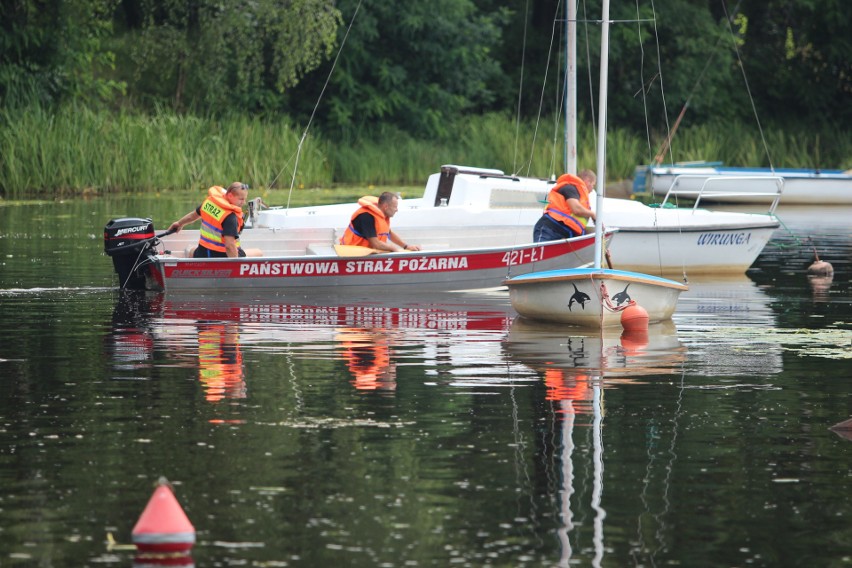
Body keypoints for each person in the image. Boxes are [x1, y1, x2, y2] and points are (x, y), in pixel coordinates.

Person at [169, 182, 249, 258]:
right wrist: (236, 266)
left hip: (203, 252)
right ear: (230, 196)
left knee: (191, 250)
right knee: (257, 252)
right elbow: (229, 246)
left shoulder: (210, 203)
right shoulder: (230, 216)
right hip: (222, 256)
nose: (244, 202)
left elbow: (193, 216)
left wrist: (179, 223)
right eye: (241, 199)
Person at [339, 191, 422, 252]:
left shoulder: (382, 215)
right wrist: (395, 250)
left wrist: (406, 246)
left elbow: (389, 233)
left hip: (367, 253)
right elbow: (376, 244)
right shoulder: (366, 216)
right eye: (395, 207)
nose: (397, 210)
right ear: (386, 206)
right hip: (351, 253)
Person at [533, 169, 597, 242]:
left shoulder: (579, 195)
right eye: (593, 185)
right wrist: (592, 214)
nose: (592, 189)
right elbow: (576, 209)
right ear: (588, 181)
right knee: (543, 252)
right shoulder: (570, 188)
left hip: (564, 233)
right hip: (549, 229)